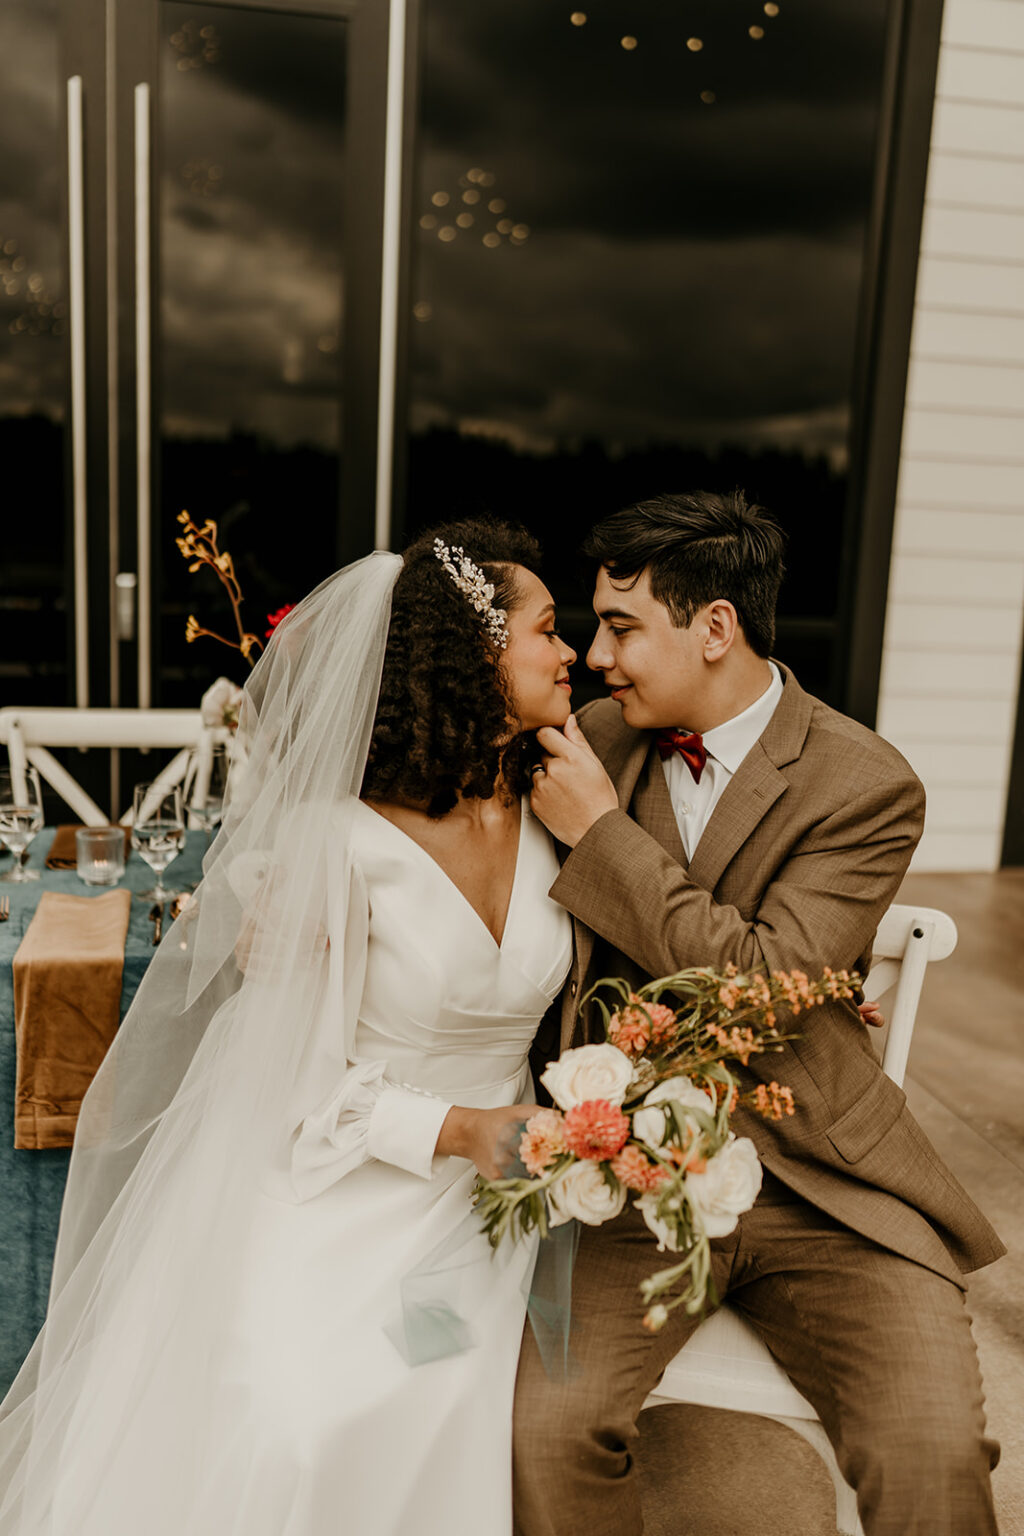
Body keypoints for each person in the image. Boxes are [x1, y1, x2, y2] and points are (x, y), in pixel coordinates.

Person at [0, 519, 576, 1536]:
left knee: (444, 1390)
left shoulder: (560, 808)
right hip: (347, 1177)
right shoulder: (337, 844)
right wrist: (457, 1131)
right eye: (547, 629)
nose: (571, 652)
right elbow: (299, 1091)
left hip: (510, 1197)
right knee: (306, 1418)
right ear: (478, 655)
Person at [515, 490, 1005, 1536]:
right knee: (545, 1432)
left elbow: (764, 990)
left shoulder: (865, 782)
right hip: (624, 1179)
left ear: (715, 628)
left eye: (620, 626)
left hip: (823, 1183)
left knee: (932, 1447)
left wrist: (602, 834)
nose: (596, 657)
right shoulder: (588, 735)